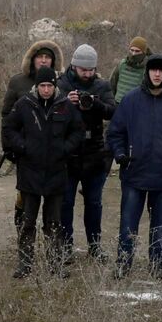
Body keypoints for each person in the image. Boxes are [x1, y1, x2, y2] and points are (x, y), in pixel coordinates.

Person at [106, 54, 162, 277]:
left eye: (161, 70)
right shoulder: (131, 99)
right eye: (153, 70)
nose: (157, 74)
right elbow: (115, 132)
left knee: (159, 225)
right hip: (134, 172)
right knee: (128, 224)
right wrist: (121, 155)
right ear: (147, 72)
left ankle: (157, 265)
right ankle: (123, 263)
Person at [4, 66, 82, 278]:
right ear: (36, 87)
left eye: (49, 85)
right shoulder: (24, 105)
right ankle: (25, 264)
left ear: (54, 86)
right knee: (27, 222)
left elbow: (78, 131)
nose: (46, 90)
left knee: (54, 224)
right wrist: (23, 147)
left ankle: (55, 264)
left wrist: (65, 149)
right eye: (42, 86)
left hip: (56, 173)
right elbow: (9, 128)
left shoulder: (65, 106)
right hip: (29, 173)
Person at [57, 44, 116, 263]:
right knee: (66, 203)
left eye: (91, 70)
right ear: (74, 66)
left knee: (94, 203)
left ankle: (95, 245)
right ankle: (65, 246)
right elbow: (50, 111)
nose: (88, 74)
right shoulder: (62, 84)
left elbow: (113, 112)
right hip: (69, 153)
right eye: (84, 70)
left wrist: (95, 103)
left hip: (94, 152)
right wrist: (66, 102)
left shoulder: (102, 85)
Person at [109, 36, 150, 102]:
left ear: (143, 52)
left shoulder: (147, 69)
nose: (133, 54)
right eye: (132, 50)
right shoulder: (121, 64)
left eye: (137, 51)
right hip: (118, 105)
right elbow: (112, 85)